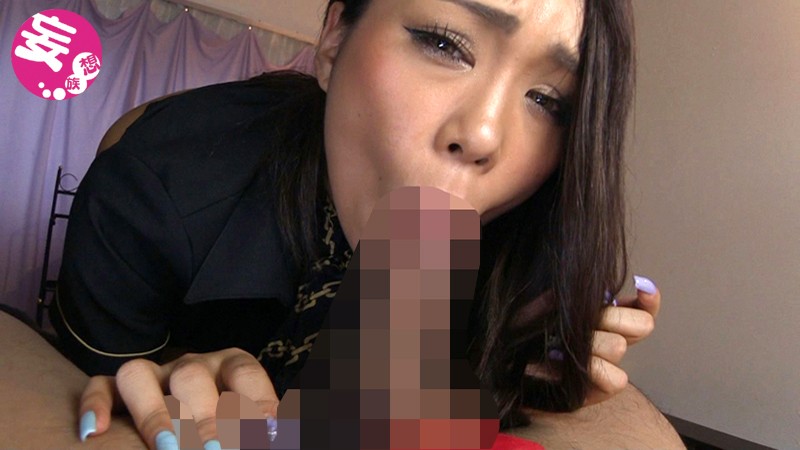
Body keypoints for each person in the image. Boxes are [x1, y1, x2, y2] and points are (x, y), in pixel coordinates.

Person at [26, 0, 683, 448]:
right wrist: (166, 378)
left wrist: (535, 384)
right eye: (445, 43)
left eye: (549, 100)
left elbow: (395, 419)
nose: (485, 134)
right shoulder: (161, 184)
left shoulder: (516, 244)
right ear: (336, 38)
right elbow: (83, 392)